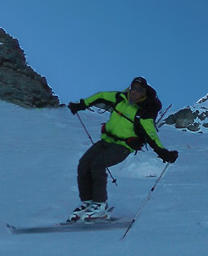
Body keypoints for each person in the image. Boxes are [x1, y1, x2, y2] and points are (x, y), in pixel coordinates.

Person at [66, 77, 178, 222]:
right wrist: (82, 104)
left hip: (123, 146)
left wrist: (164, 153)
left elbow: (151, 134)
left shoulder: (143, 112)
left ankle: (99, 205)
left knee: (98, 164)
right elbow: (101, 95)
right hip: (106, 140)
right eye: (134, 88)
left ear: (144, 93)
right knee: (84, 163)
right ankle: (87, 203)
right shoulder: (120, 98)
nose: (135, 92)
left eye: (140, 90)